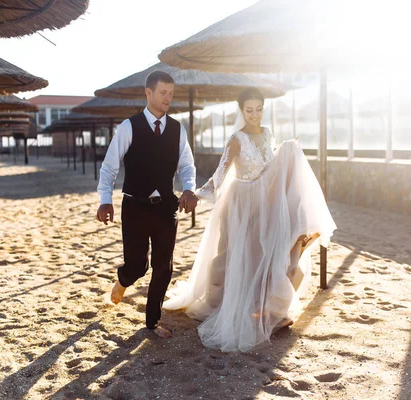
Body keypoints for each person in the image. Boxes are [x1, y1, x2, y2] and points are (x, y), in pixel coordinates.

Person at [163, 88, 337, 352]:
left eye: (258, 109)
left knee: (264, 253)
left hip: (265, 200)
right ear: (241, 111)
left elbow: (269, 168)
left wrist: (285, 158)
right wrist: (197, 195)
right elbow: (219, 175)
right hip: (240, 203)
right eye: (249, 110)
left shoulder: (267, 133)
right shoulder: (236, 139)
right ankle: (224, 302)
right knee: (233, 255)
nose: (254, 115)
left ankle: (265, 306)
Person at [96, 70, 199, 338]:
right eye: (163, 93)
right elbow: (109, 167)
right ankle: (123, 280)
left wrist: (188, 189)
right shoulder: (129, 127)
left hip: (166, 206)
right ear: (149, 93)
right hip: (135, 206)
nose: (168, 98)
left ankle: (152, 321)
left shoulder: (177, 129)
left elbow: (187, 165)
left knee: (164, 267)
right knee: (136, 267)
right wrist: (105, 201)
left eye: (171, 94)